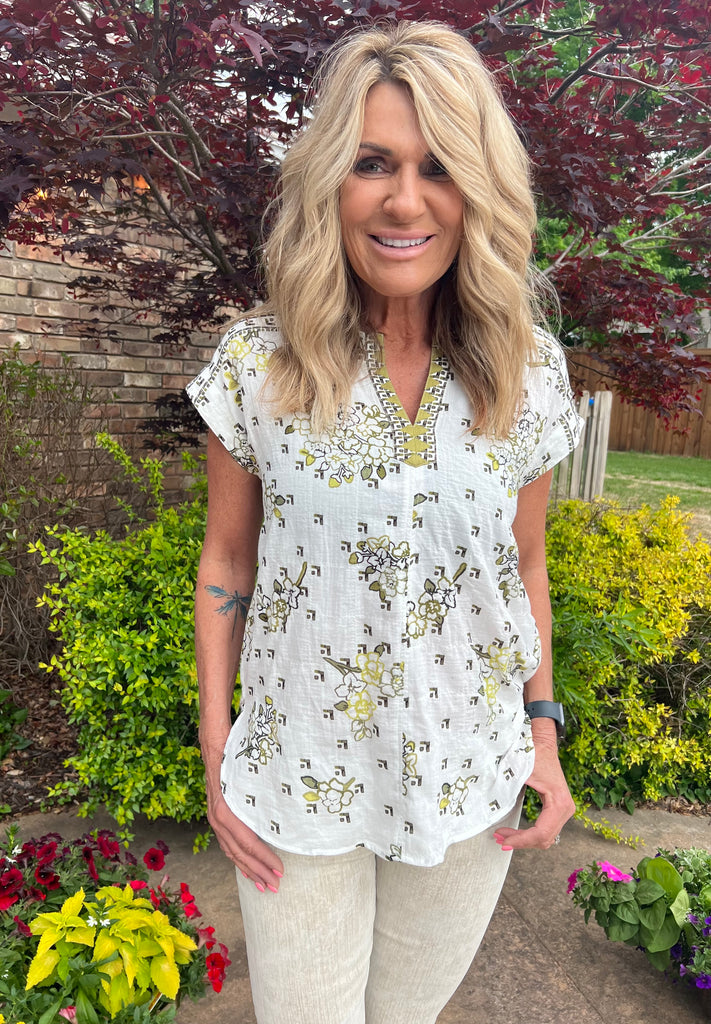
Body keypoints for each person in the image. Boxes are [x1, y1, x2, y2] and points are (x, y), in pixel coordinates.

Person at [187, 19, 583, 1024]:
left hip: (469, 777)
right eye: (373, 163)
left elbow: (524, 565)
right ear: (331, 180)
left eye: (438, 167)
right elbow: (227, 561)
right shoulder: (259, 366)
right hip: (298, 781)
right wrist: (217, 754)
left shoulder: (527, 373)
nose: (405, 200)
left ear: (478, 190)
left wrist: (542, 736)